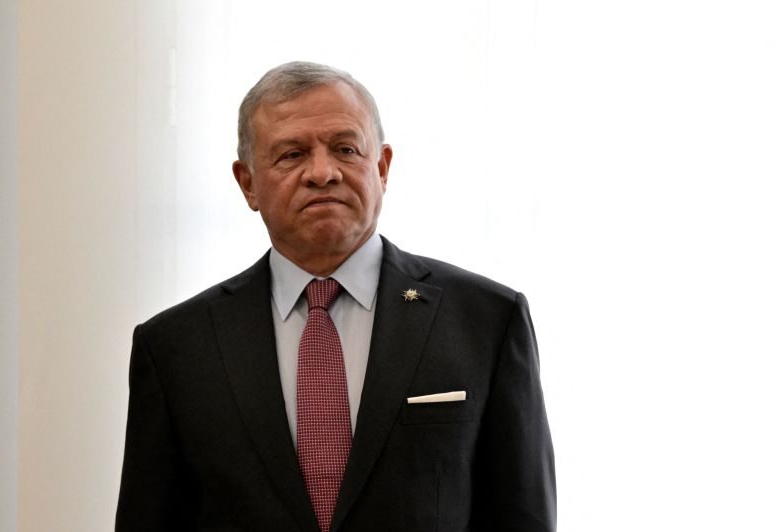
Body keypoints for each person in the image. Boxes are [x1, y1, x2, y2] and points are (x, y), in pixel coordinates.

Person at [116, 61, 556, 532]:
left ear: (382, 168)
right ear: (248, 183)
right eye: (291, 154)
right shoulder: (176, 348)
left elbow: (522, 515)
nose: (323, 173)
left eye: (346, 149)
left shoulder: (486, 320)